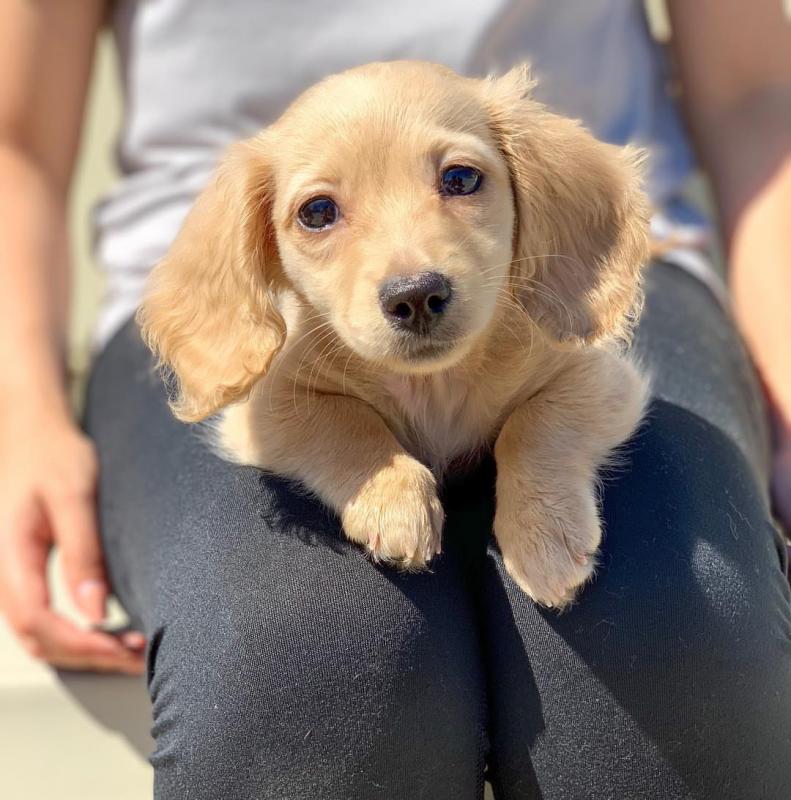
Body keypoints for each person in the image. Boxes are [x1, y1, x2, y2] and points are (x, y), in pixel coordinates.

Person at [1, 1, 790, 797]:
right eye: (318, 211)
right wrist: (19, 414)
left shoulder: (543, 208)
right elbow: (13, 137)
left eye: (458, 180)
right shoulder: (254, 259)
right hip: (245, 284)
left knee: (673, 630)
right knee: (305, 661)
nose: (411, 279)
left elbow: (760, 94)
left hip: (553, 255)